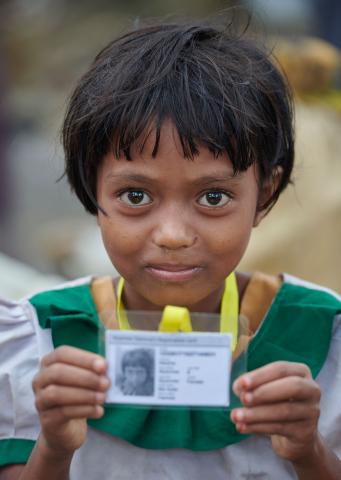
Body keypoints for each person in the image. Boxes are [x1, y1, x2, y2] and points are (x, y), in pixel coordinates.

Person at [0, 18, 340, 480]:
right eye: (136, 196)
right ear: (91, 190)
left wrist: (309, 451)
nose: (173, 235)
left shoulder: (324, 341)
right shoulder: (38, 342)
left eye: (213, 197)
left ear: (264, 194)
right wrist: (55, 448)